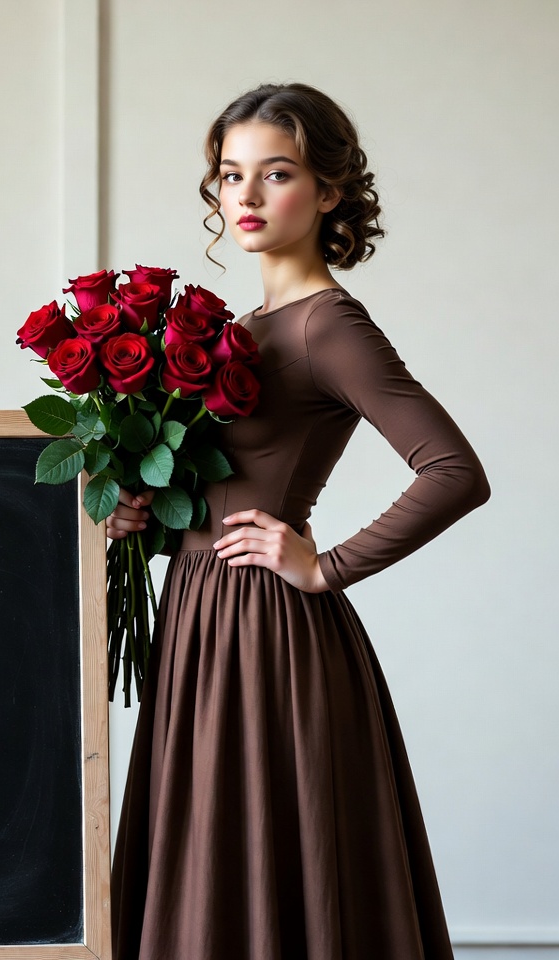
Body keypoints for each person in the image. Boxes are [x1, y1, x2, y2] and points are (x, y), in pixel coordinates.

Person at [106, 83, 489, 960]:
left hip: (264, 634)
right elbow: (223, 491)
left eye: (274, 174)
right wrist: (148, 521)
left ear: (327, 192)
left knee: (269, 862)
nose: (244, 196)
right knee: (210, 859)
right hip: (200, 621)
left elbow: (455, 472)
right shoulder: (244, 327)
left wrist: (326, 566)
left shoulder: (328, 326)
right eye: (230, 175)